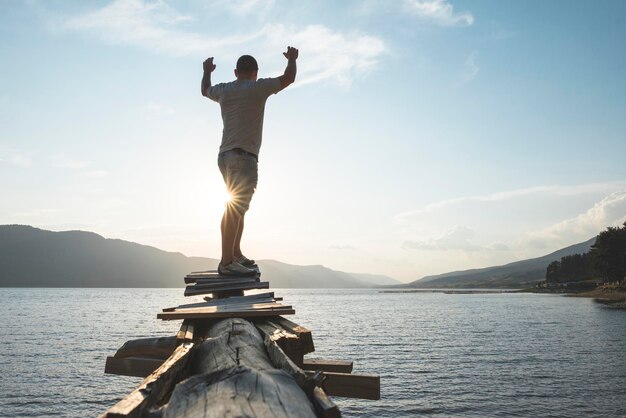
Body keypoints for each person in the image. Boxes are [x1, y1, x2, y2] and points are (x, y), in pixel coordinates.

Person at [202, 47, 299, 276]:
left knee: (238, 208)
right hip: (244, 157)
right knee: (234, 209)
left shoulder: (224, 90)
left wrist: (207, 71)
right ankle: (227, 262)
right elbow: (289, 78)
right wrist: (292, 60)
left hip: (224, 157)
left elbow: (205, 89)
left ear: (236, 71)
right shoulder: (258, 88)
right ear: (255, 72)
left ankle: (235, 254)